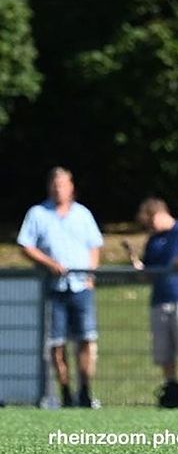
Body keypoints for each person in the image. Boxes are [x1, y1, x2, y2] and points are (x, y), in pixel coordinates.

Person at [17, 167, 103, 408]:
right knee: (56, 342)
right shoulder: (37, 213)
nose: (59, 189)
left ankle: (84, 390)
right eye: (55, 185)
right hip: (53, 288)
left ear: (71, 187)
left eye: (63, 184)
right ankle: (65, 392)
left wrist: (90, 274)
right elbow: (25, 245)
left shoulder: (82, 214)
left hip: (81, 287)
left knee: (86, 338)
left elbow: (95, 245)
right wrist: (50, 263)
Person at [128, 198, 178, 395]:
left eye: (150, 222)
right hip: (159, 300)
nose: (150, 227)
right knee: (164, 351)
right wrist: (138, 267)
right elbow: (149, 272)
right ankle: (172, 390)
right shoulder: (153, 240)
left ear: (160, 214)